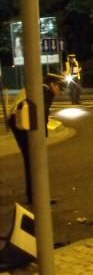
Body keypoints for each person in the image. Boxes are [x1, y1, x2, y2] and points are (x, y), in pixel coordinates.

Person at [8, 74, 64, 204]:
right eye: (59, 88)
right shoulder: (45, 91)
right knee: (34, 160)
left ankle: (34, 195)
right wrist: (42, 137)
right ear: (52, 84)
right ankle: (36, 196)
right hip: (22, 123)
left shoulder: (38, 87)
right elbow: (42, 113)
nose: (60, 92)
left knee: (31, 160)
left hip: (18, 121)